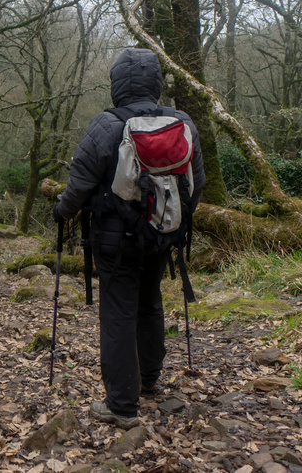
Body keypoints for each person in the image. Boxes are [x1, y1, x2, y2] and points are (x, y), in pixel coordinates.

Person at [52, 48, 205, 429]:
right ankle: (149, 379)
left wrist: (60, 213)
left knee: (118, 311)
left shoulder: (106, 125)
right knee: (150, 302)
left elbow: (79, 185)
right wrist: (171, 223)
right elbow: (196, 184)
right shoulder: (182, 122)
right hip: (161, 235)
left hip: (113, 241)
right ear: (156, 83)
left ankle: (121, 404)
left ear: (117, 84)